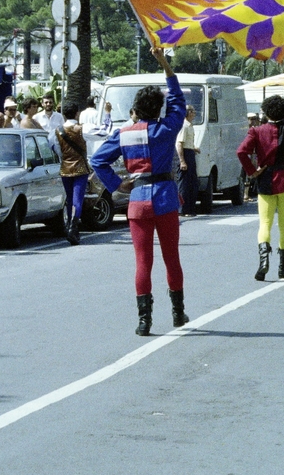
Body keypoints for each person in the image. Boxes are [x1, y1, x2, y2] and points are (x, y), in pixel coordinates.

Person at [92, 42, 188, 334]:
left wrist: (117, 183)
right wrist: (165, 65)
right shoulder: (166, 129)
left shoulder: (123, 134)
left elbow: (98, 160)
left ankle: (144, 321)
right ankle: (178, 313)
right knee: (172, 258)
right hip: (166, 197)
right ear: (158, 108)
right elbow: (179, 100)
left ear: (135, 109)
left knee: (142, 262)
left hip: (137, 201)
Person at [238, 92, 284, 280]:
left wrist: (252, 171)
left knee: (265, 223)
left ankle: (263, 262)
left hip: (265, 178)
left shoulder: (256, 131)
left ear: (264, 112)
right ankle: (283, 268)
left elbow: (241, 152)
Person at [55, 99, 90, 245]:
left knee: (70, 199)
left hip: (65, 168)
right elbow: (103, 132)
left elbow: (57, 150)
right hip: (80, 167)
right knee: (77, 199)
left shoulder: (57, 131)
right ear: (77, 114)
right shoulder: (81, 129)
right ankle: (73, 227)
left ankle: (70, 224)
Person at [177, 104, 201, 217]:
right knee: (184, 184)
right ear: (188, 112)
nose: (194, 113)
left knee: (192, 183)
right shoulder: (184, 126)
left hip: (190, 153)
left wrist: (193, 148)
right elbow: (179, 144)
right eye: (192, 111)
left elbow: (186, 142)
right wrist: (182, 161)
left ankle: (190, 208)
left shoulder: (190, 126)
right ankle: (183, 209)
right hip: (185, 155)